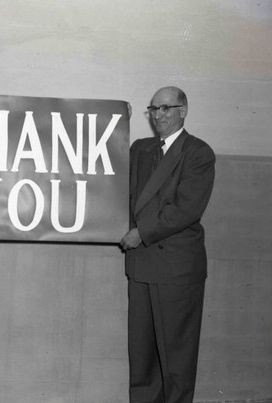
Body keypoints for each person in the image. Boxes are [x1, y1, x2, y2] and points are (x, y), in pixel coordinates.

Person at [120, 86, 215, 403]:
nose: (158, 115)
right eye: (153, 109)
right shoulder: (139, 149)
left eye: (166, 108)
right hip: (141, 267)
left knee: (176, 360)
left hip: (176, 269)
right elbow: (111, 174)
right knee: (142, 358)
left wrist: (141, 232)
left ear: (183, 110)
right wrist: (115, 128)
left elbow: (186, 209)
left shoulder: (198, 152)